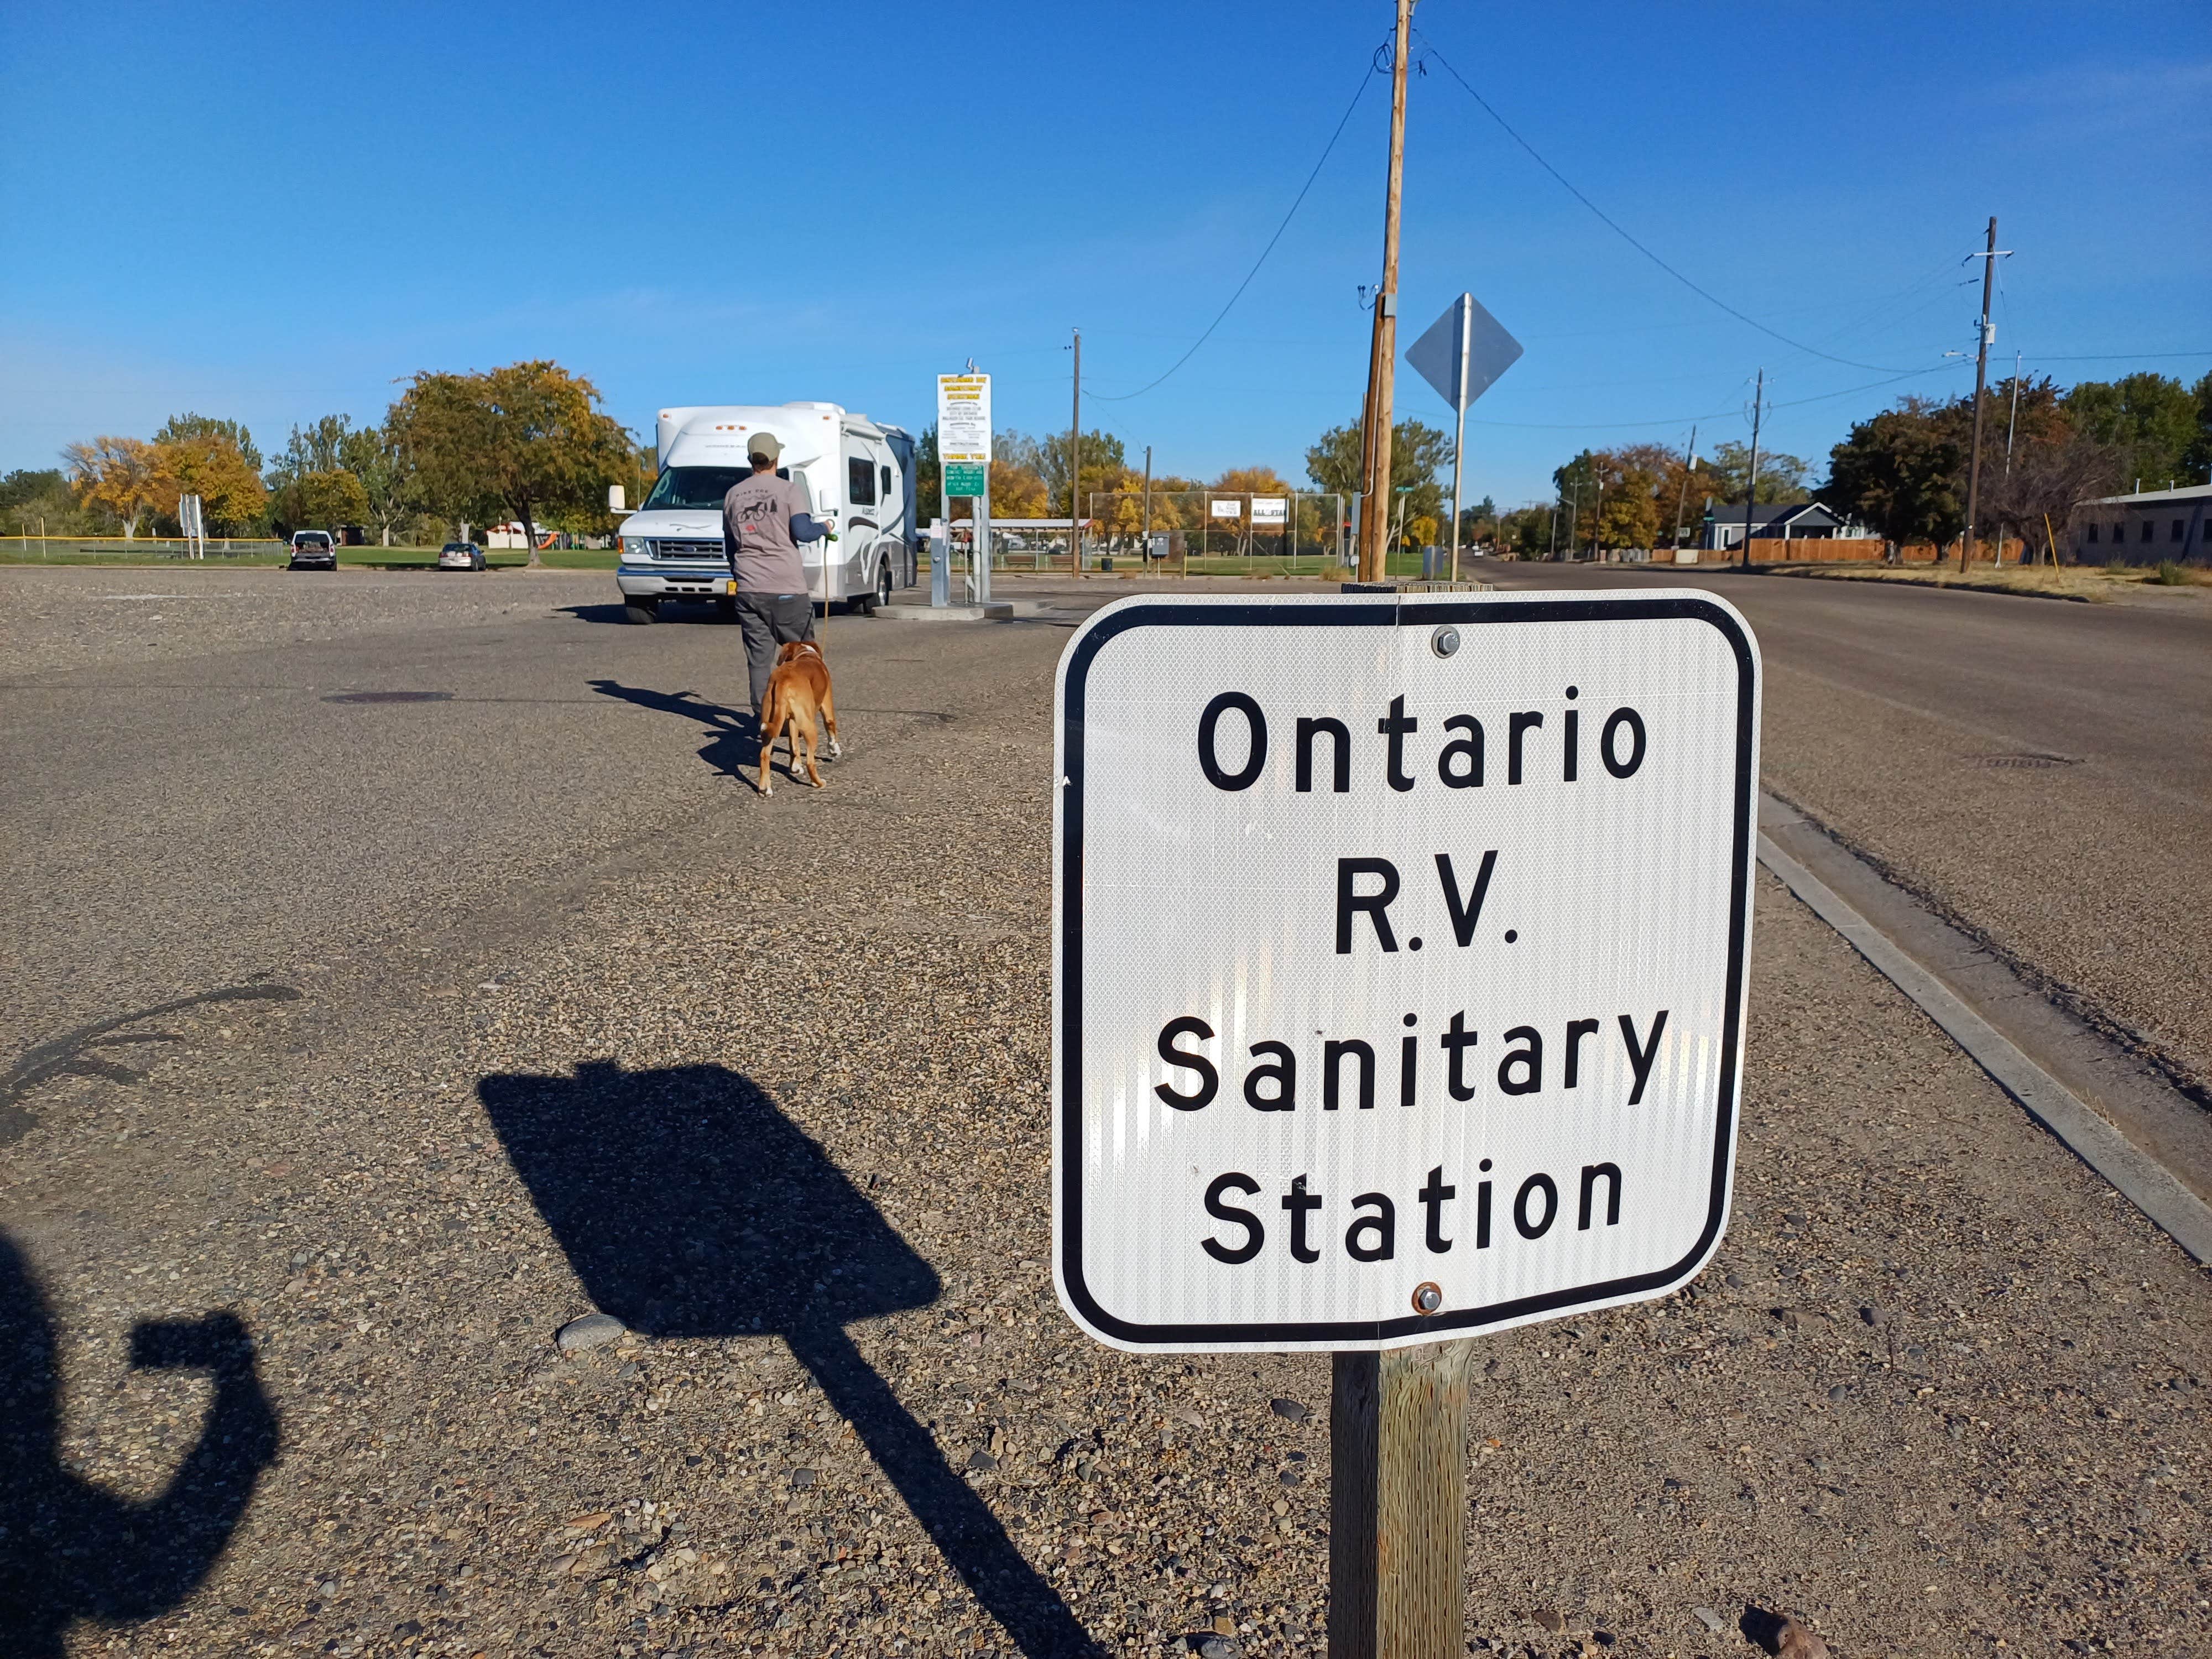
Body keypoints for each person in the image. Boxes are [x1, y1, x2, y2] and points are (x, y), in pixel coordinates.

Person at [722, 432, 835, 719]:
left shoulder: (733, 495)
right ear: (776, 458)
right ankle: (801, 715)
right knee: (803, 656)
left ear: (751, 460)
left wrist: (743, 574)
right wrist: (826, 527)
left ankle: (766, 721)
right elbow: (803, 532)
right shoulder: (789, 491)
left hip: (748, 589)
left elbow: (730, 546)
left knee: (759, 660)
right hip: (786, 589)